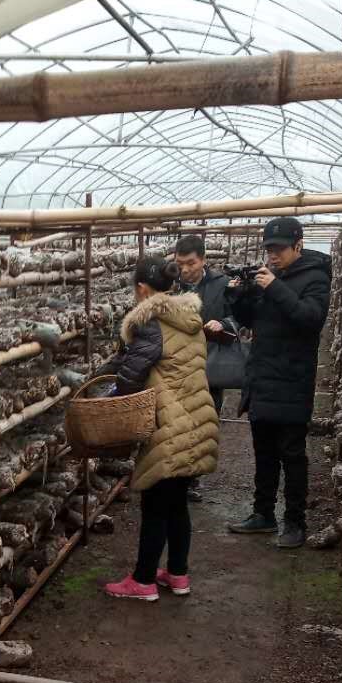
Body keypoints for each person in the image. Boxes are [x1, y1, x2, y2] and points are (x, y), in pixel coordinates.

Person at [101, 256, 219, 602]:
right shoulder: (189, 319)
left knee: (155, 503)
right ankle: (178, 574)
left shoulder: (151, 323)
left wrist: (106, 397)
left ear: (142, 288)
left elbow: (131, 373)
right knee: (177, 503)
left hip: (169, 424)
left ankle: (143, 581)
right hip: (196, 417)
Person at [226, 216, 332, 549]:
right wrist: (239, 297)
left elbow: (310, 318)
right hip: (262, 377)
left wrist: (274, 287)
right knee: (265, 452)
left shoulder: (315, 277)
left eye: (280, 249)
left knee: (293, 455)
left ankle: (295, 522)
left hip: (292, 379)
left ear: (298, 245)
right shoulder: (269, 276)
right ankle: (263, 514)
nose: (273, 255)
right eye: (269, 249)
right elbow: (250, 320)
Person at [173, 233, 239, 500]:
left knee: (204, 420)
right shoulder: (172, 285)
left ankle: (192, 477)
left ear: (203, 260)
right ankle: (178, 475)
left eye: (190, 263)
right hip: (177, 364)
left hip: (209, 364)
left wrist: (223, 324)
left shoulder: (221, 284)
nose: (185, 269)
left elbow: (237, 316)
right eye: (180, 264)